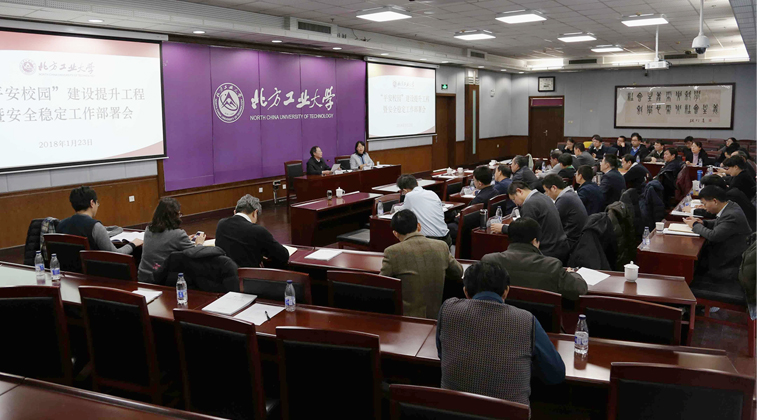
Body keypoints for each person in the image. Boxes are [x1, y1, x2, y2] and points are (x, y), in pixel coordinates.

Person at [436, 261, 565, 406]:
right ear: (506, 291)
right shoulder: (526, 320)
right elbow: (556, 374)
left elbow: (442, 354)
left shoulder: (448, 310)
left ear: (465, 292)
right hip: (509, 413)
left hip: (453, 410)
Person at [380, 210, 463, 319]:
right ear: (419, 226)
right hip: (436, 318)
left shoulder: (392, 252)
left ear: (395, 233)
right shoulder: (441, 246)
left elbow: (381, 286)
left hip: (407, 320)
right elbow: (458, 272)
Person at [483, 218, 588, 300]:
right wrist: (573, 274)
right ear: (534, 241)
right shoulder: (552, 266)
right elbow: (580, 289)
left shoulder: (490, 262)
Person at [490, 182, 570, 263]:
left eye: (514, 199)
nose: (516, 203)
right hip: (561, 246)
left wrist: (503, 228)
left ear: (519, 191)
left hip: (548, 251)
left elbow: (525, 232)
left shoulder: (529, 204)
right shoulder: (543, 196)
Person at [683, 186, 752, 280]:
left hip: (728, 261)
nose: (704, 208)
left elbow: (713, 236)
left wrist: (695, 225)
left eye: (705, 204)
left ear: (715, 201)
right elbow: (720, 222)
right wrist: (704, 223)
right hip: (725, 252)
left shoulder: (731, 215)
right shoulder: (730, 206)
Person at [57, 186, 142, 254]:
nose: (98, 205)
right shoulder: (95, 227)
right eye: (97, 202)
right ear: (92, 203)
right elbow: (115, 254)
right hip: (92, 269)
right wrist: (133, 244)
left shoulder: (61, 224)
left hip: (66, 269)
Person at [139, 198, 205, 283]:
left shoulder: (148, 229)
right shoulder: (178, 234)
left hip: (143, 276)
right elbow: (196, 255)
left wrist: (185, 240)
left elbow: (164, 241)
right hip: (159, 279)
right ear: (174, 216)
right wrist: (199, 243)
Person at [215, 194, 289, 269]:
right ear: (255, 213)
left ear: (235, 212)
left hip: (225, 273)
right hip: (249, 275)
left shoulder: (221, 224)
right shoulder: (258, 231)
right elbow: (283, 256)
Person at [397, 175, 451, 246]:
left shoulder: (409, 196)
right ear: (417, 183)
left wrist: (396, 208)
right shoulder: (432, 193)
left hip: (431, 242)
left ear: (404, 190)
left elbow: (403, 213)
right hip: (446, 238)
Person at [541, 175, 588, 249]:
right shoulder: (570, 194)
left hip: (571, 242)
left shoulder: (564, 199)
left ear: (554, 188)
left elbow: (551, 221)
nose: (547, 194)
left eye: (546, 191)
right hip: (578, 238)